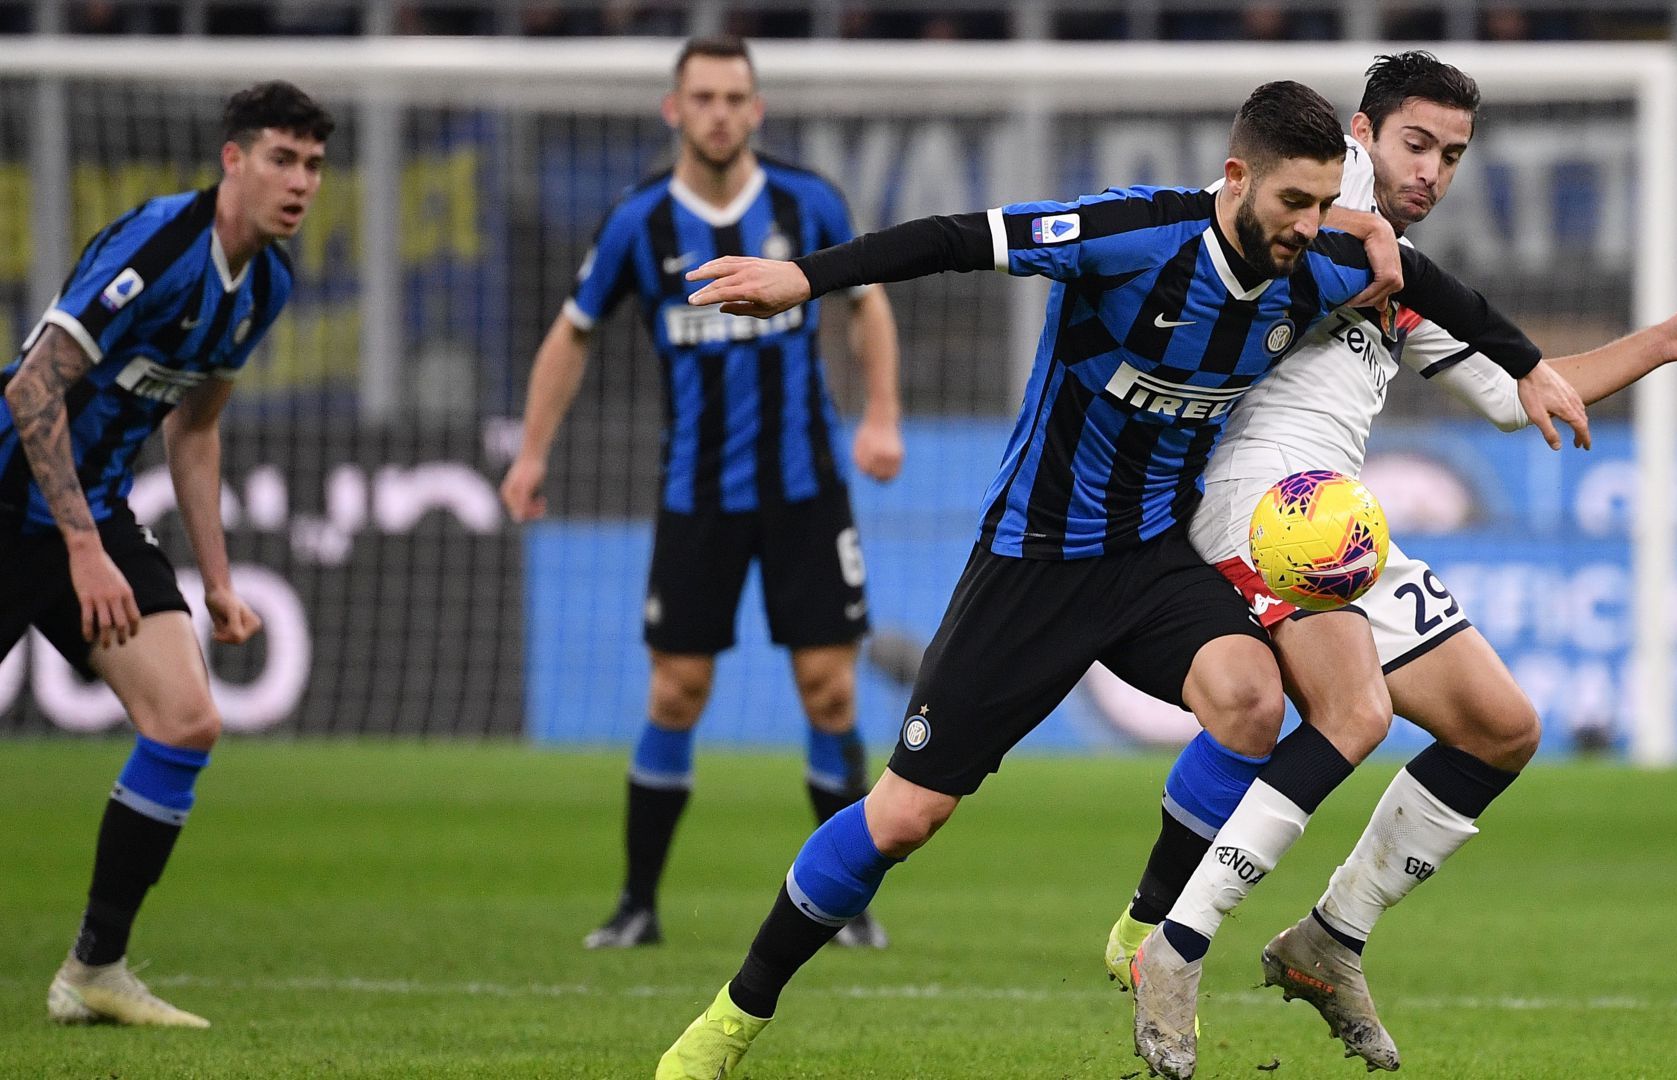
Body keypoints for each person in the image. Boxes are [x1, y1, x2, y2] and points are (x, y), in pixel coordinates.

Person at [651, 78, 1585, 1079]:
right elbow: (956, 237)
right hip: (1035, 561)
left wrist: (1527, 363)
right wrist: (806, 278)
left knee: (1249, 698)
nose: (1312, 229)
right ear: (1236, 179)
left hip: (1150, 559)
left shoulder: (1320, 263)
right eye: (1293, 207)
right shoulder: (1130, 235)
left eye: (1325, 207)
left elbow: (1436, 290)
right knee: (906, 816)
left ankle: (1146, 929)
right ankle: (733, 1017)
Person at [1120, 52, 1677, 1077]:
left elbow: (1519, 393)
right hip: (1259, 495)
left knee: (1502, 728)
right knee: (1352, 715)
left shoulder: (1393, 275)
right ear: (1360, 135)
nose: (1431, 170)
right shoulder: (1310, 217)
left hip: (1332, 509)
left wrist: (1659, 343)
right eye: (1415, 143)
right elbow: (1225, 215)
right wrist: (1356, 221)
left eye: (1453, 155)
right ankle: (1176, 946)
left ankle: (1328, 940)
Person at [498, 37, 905, 951]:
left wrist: (880, 415)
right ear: (672, 111)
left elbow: (866, 304)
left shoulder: (808, 202)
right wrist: (531, 454)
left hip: (807, 491)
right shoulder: (637, 223)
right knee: (677, 691)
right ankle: (638, 905)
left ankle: (845, 906)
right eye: (703, 97)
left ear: (757, 111)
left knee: (829, 692)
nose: (720, 112)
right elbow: (573, 334)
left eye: (735, 97)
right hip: (696, 497)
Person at [0, 80, 331, 1028]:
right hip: (10, 500)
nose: (300, 182)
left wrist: (218, 582)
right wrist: (80, 551)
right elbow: (30, 391)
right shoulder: (160, 244)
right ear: (232, 159)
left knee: (186, 719)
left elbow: (195, 432)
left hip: (88, 516)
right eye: (281, 158)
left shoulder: (266, 283)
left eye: (313, 164)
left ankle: (94, 971)